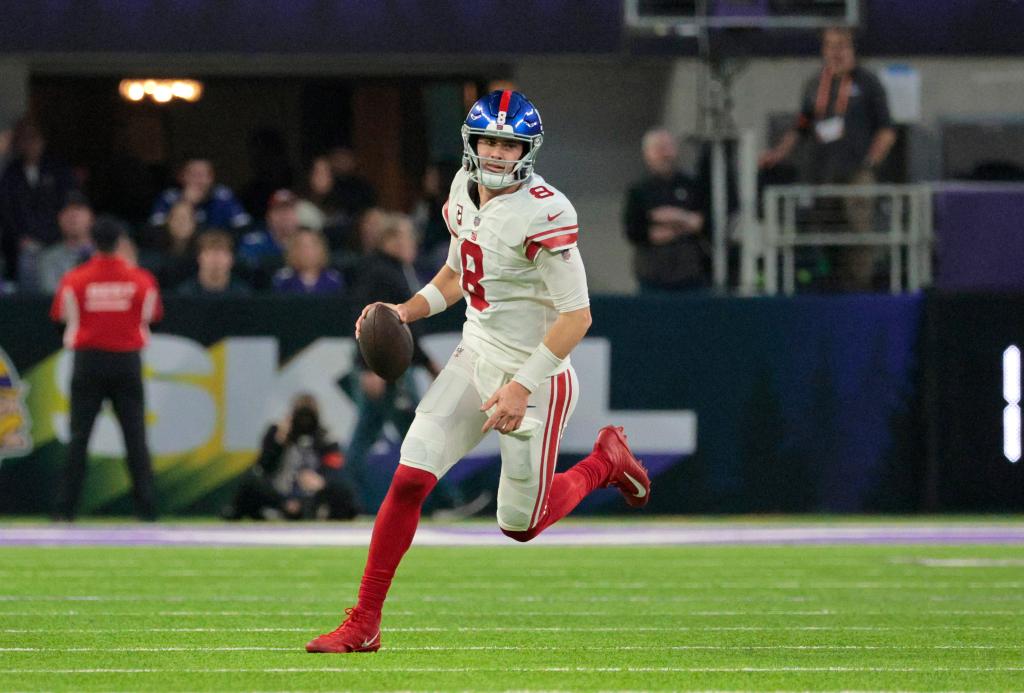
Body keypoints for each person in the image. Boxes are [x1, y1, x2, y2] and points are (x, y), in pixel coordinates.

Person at [306, 90, 652, 654]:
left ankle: (602, 464)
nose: (494, 153)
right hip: (476, 355)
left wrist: (520, 386)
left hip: (536, 376)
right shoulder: (462, 192)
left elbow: (577, 316)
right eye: (488, 140)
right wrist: (404, 311)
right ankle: (365, 622)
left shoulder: (546, 211)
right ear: (472, 142)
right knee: (411, 474)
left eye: (507, 143)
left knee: (520, 524)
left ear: (527, 150)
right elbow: (453, 275)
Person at [759, 26, 896, 290]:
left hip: (856, 172)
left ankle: (858, 286)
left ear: (852, 49)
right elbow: (801, 126)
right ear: (824, 50)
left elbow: (887, 130)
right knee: (826, 229)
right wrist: (778, 153)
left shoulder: (868, 83)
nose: (836, 52)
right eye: (831, 46)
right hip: (820, 172)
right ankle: (830, 281)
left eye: (842, 45)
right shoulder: (814, 84)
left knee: (857, 231)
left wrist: (870, 162)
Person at [49, 217, 163, 522]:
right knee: (135, 438)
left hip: (88, 362)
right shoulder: (141, 279)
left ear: (93, 241)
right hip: (127, 361)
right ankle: (147, 510)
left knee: (79, 438)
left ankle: (64, 511)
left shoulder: (75, 279)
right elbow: (152, 315)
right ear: (120, 241)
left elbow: (60, 315)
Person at [222, 394, 357, 521]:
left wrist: (321, 482)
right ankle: (239, 511)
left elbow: (336, 472)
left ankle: (312, 512)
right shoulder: (278, 433)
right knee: (250, 480)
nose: (304, 421)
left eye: (309, 416)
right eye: (300, 415)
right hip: (279, 495)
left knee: (343, 492)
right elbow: (262, 467)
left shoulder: (326, 439)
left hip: (311, 497)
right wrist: (279, 441)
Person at [623, 128, 709, 293]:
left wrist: (676, 217)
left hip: (690, 275)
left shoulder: (691, 186)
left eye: (668, 147)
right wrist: (680, 226)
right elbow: (633, 230)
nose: (664, 154)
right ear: (647, 154)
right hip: (652, 276)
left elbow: (702, 222)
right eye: (658, 149)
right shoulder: (639, 190)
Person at [0, 117, 77, 285]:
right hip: (23, 245)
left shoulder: (58, 169)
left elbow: (69, 203)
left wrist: (61, 235)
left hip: (57, 240)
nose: (30, 145)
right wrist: (20, 237)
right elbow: (6, 210)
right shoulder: (11, 172)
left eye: (34, 138)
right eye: (24, 140)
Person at [148, 157, 250, 232]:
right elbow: (155, 229)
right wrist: (185, 202)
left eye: (203, 175)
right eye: (193, 174)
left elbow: (244, 226)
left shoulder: (223, 196)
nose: (198, 180)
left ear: (212, 178)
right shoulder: (169, 198)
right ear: (182, 177)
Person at [238, 189, 303, 288]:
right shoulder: (255, 242)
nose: (285, 216)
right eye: (279, 211)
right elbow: (247, 267)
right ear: (269, 216)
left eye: (289, 210)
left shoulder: (306, 243)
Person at [35, 191, 94, 294]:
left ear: (91, 217)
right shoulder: (49, 258)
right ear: (59, 219)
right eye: (67, 210)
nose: (73, 215)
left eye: (78, 209)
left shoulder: (105, 254)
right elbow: (51, 296)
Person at [176, 229, 252, 296]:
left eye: (221, 253)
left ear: (231, 259)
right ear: (199, 258)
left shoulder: (243, 294)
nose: (215, 260)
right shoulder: (184, 294)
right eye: (210, 253)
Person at [272, 227, 343, 294]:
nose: (306, 251)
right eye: (301, 246)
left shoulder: (333, 279)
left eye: (311, 246)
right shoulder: (283, 279)